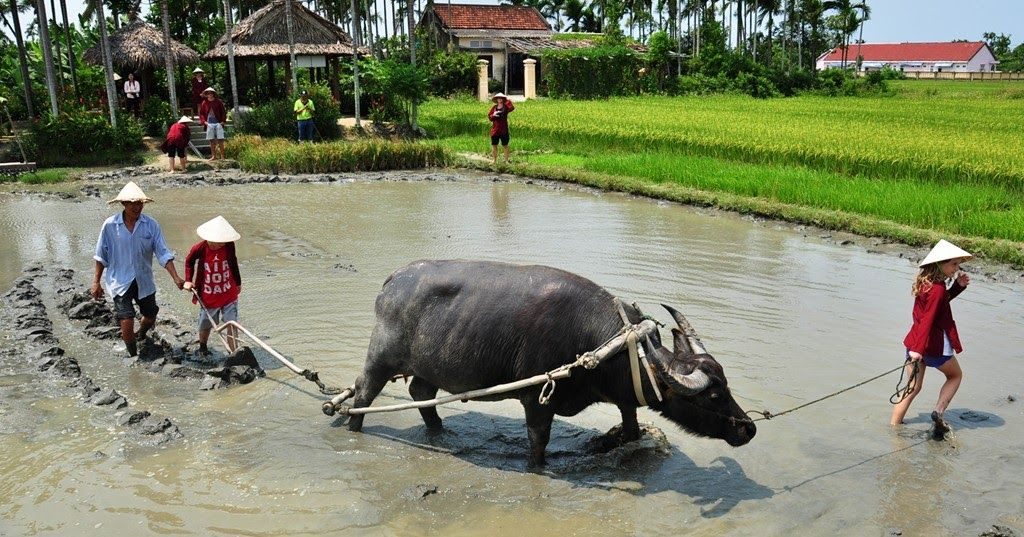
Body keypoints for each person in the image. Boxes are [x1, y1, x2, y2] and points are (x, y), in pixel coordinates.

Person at [91, 181, 185, 358]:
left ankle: (142, 332)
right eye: (132, 203)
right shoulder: (110, 226)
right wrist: (96, 282)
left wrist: (176, 278)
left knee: (150, 316)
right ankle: (134, 356)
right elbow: (100, 256)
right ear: (124, 204)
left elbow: (163, 253)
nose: (136, 207)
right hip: (120, 280)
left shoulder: (151, 225)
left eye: (139, 203)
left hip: (144, 279)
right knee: (126, 320)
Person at [890, 239, 972, 436]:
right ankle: (939, 411)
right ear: (940, 264)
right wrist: (919, 350)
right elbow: (928, 319)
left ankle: (893, 428)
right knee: (955, 375)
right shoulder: (937, 288)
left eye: (958, 264)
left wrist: (957, 287)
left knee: (912, 388)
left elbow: (936, 307)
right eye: (953, 264)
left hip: (914, 343)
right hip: (932, 346)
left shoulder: (927, 284)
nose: (956, 268)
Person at [183, 216, 242, 356]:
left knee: (231, 323)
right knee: (206, 322)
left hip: (228, 290)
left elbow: (233, 262)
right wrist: (188, 280)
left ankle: (234, 352)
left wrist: (238, 282)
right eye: (217, 242)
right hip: (209, 293)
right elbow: (189, 262)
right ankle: (203, 346)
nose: (220, 245)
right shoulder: (200, 248)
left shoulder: (229, 245)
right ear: (209, 238)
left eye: (223, 242)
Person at [198, 87, 227, 160]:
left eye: (211, 93)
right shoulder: (204, 102)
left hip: (218, 122)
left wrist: (223, 121)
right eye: (208, 93)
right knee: (211, 140)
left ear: (213, 94)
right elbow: (201, 113)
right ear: (206, 94)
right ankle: (213, 156)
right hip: (209, 123)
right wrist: (204, 122)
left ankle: (222, 156)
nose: (210, 95)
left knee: (220, 139)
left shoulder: (218, 101)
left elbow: (223, 112)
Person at [488, 92, 515, 164]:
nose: (499, 99)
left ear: (503, 99)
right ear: (496, 99)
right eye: (498, 98)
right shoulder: (494, 108)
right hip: (495, 130)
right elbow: (490, 118)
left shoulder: (506, 107)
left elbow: (512, 108)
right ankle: (494, 160)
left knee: (505, 145)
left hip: (504, 130)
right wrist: (494, 115)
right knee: (494, 145)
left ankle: (506, 160)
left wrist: (508, 100)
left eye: (501, 98)